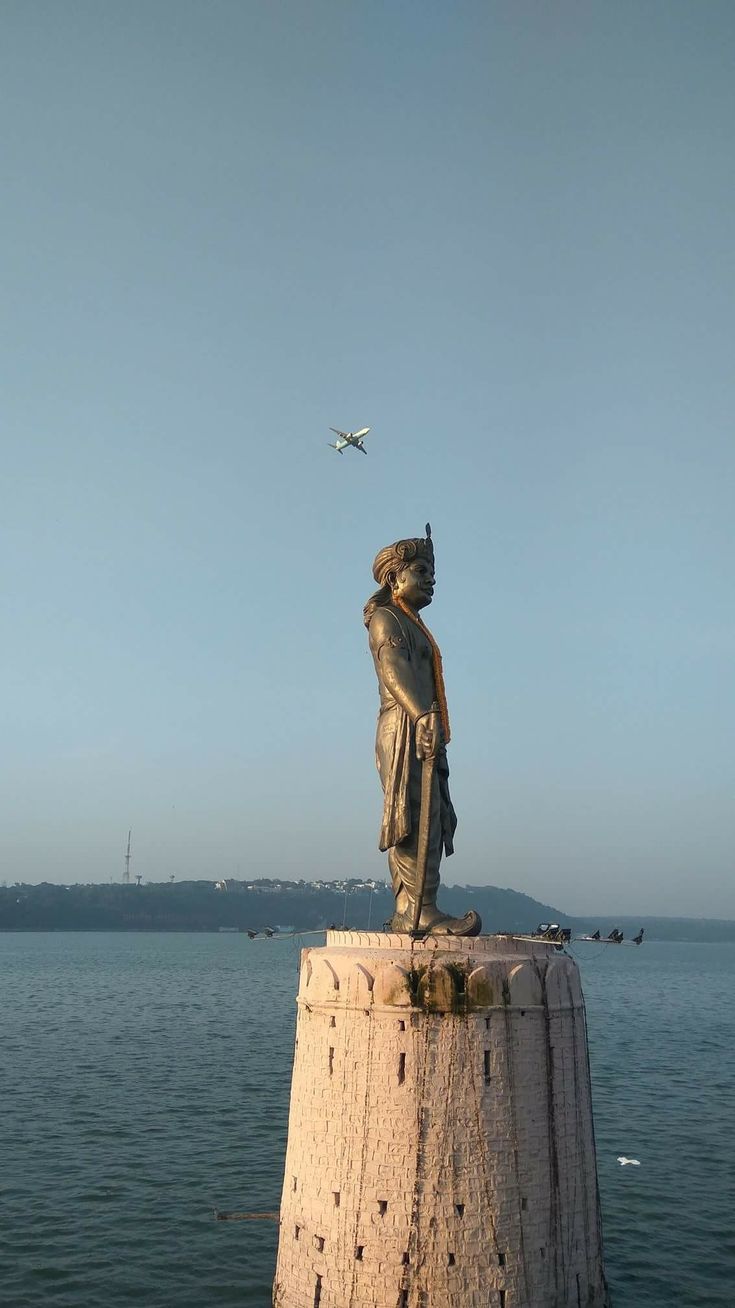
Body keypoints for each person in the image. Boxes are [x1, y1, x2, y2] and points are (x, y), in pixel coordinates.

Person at [364, 525, 480, 936]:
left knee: (435, 810)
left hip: (423, 723)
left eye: (432, 571)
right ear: (395, 578)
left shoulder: (412, 623)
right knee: (411, 812)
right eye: (421, 570)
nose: (431, 578)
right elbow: (393, 670)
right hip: (404, 723)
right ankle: (415, 908)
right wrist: (420, 715)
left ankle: (419, 905)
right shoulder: (386, 618)